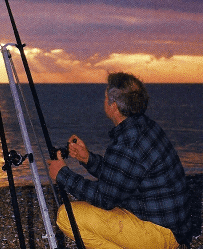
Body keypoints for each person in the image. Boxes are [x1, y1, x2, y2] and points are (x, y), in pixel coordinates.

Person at [48, 72, 192, 249]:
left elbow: (104, 198)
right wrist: (87, 159)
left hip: (160, 233)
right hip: (172, 227)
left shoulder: (128, 142)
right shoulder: (145, 126)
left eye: (105, 97)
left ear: (113, 106)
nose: (104, 101)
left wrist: (62, 174)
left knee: (66, 215)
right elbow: (121, 176)